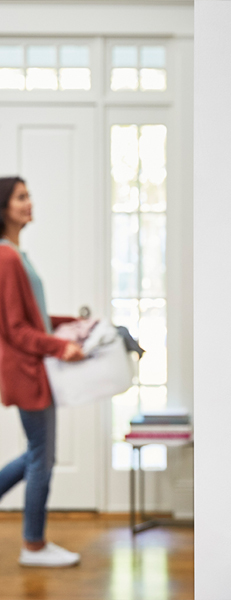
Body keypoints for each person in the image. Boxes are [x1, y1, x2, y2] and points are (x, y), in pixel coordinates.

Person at [0, 176, 84, 567]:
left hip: (32, 367)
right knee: (42, 457)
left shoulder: (18, 253)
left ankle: (34, 542)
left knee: (37, 453)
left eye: (28, 195)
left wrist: (73, 324)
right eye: (21, 197)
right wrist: (60, 346)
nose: (29, 202)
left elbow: (34, 317)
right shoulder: (6, 257)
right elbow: (16, 329)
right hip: (26, 370)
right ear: (4, 208)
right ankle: (33, 545)